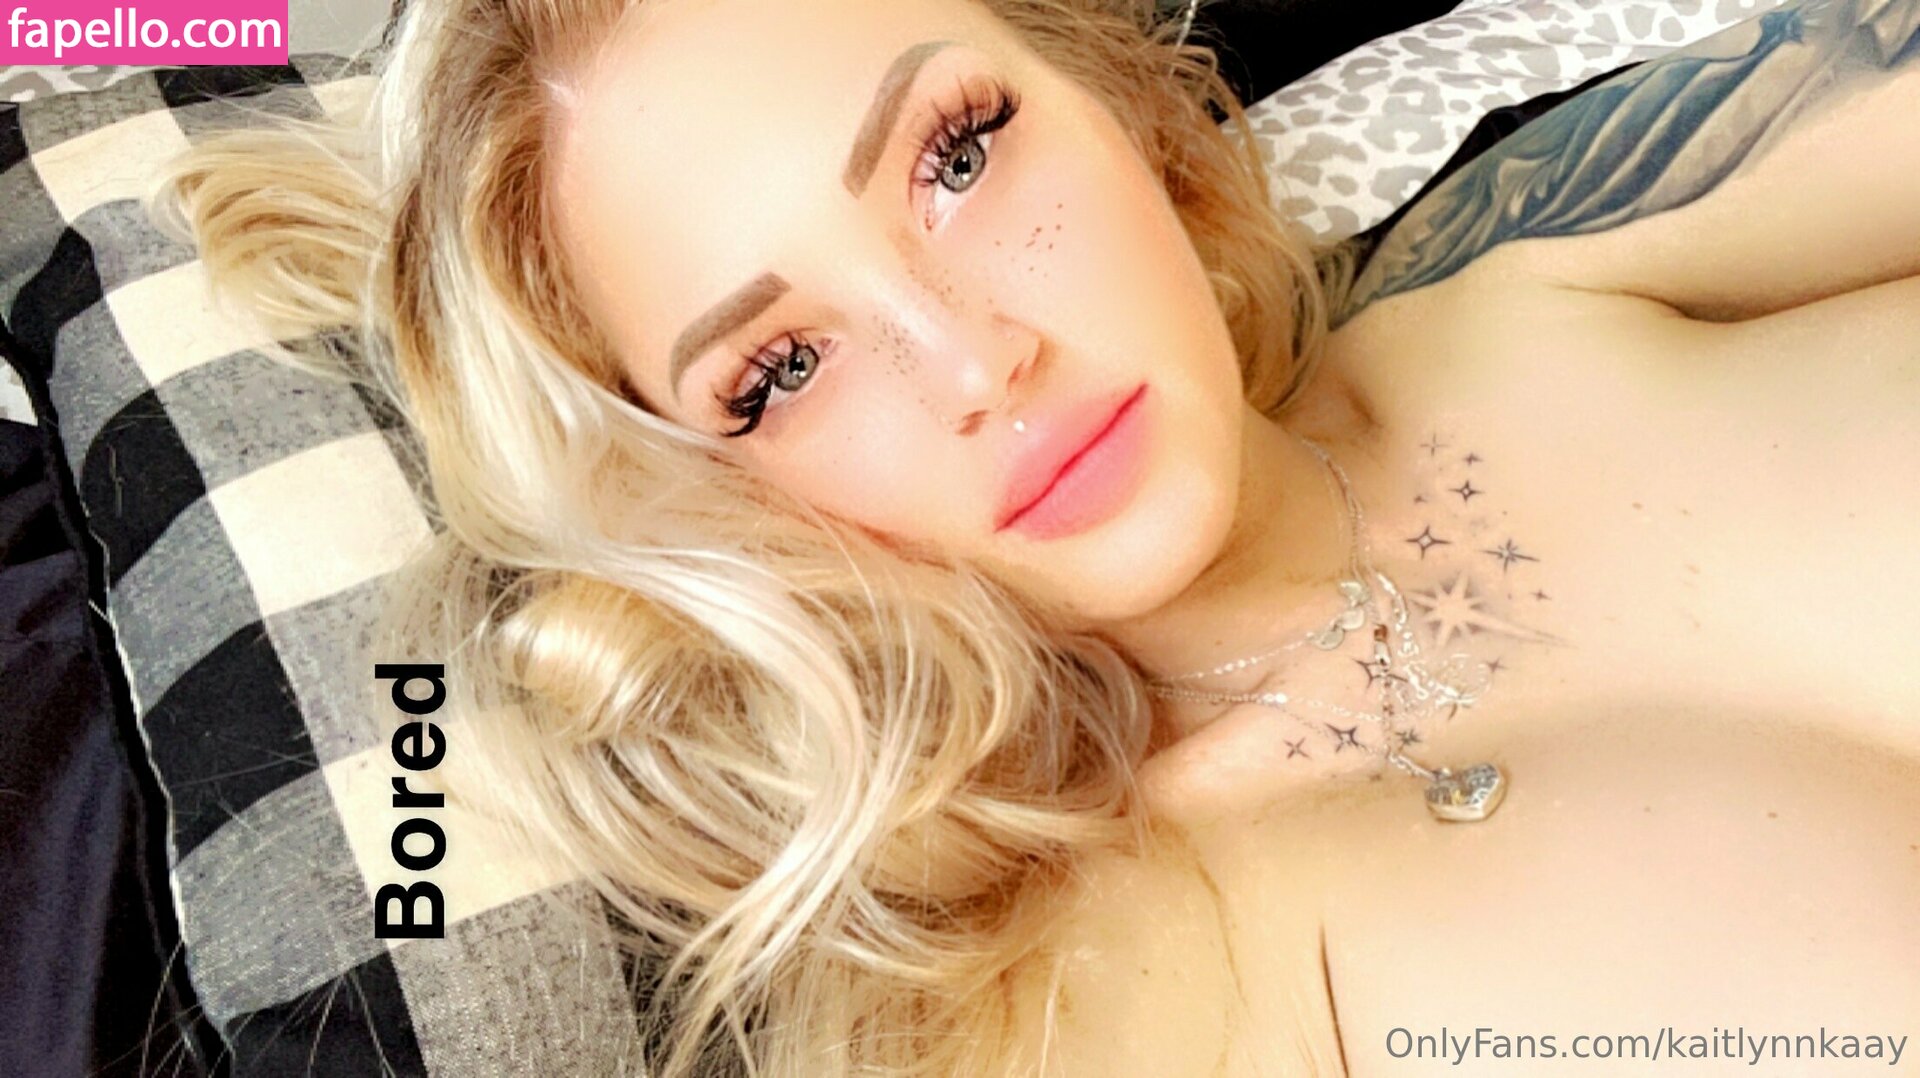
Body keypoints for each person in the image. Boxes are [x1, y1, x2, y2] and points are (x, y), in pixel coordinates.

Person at [150, 0, 1920, 1072]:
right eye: (780, 370)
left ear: (1120, 107)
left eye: (958, 152)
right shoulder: (1106, 1005)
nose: (971, 359)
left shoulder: (1534, 267)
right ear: (720, 518)